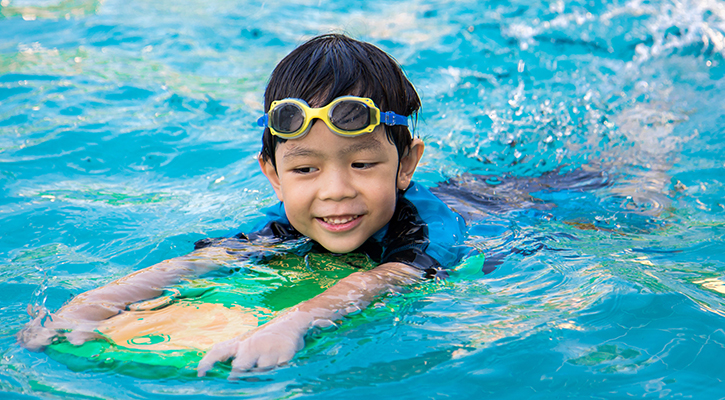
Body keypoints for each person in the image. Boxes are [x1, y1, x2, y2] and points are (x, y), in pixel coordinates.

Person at [17, 34, 468, 378]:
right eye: (305, 170)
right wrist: (89, 306)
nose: (335, 190)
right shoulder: (288, 223)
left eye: (364, 163)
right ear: (273, 174)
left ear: (406, 164)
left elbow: (387, 278)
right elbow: (197, 263)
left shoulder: (427, 228)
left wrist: (294, 322)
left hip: (499, 203)